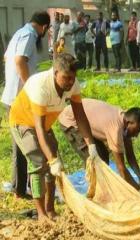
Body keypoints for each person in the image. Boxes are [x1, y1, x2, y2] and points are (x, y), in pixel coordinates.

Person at [9, 53, 99, 222]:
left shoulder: (73, 85)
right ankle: (41, 213)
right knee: (38, 162)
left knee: (55, 166)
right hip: (22, 122)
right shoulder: (40, 85)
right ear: (55, 72)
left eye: (73, 78)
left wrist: (91, 145)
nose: (70, 82)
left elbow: (80, 117)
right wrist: (50, 159)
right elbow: (39, 129)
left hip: (44, 124)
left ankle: (50, 210)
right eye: (66, 78)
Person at [1, 10, 50, 200]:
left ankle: (20, 187)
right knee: (26, 144)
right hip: (19, 98)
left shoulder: (19, 33)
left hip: (11, 95)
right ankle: (21, 189)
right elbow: (19, 60)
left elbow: (7, 57)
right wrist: (29, 87)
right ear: (44, 27)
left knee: (20, 144)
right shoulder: (30, 35)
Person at [58, 99, 140, 191]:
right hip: (71, 120)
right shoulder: (115, 129)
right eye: (136, 131)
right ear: (129, 123)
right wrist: (139, 191)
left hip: (86, 119)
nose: (136, 135)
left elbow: (130, 155)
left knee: (103, 155)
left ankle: (102, 189)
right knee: (94, 162)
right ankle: (96, 195)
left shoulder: (124, 121)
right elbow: (121, 169)